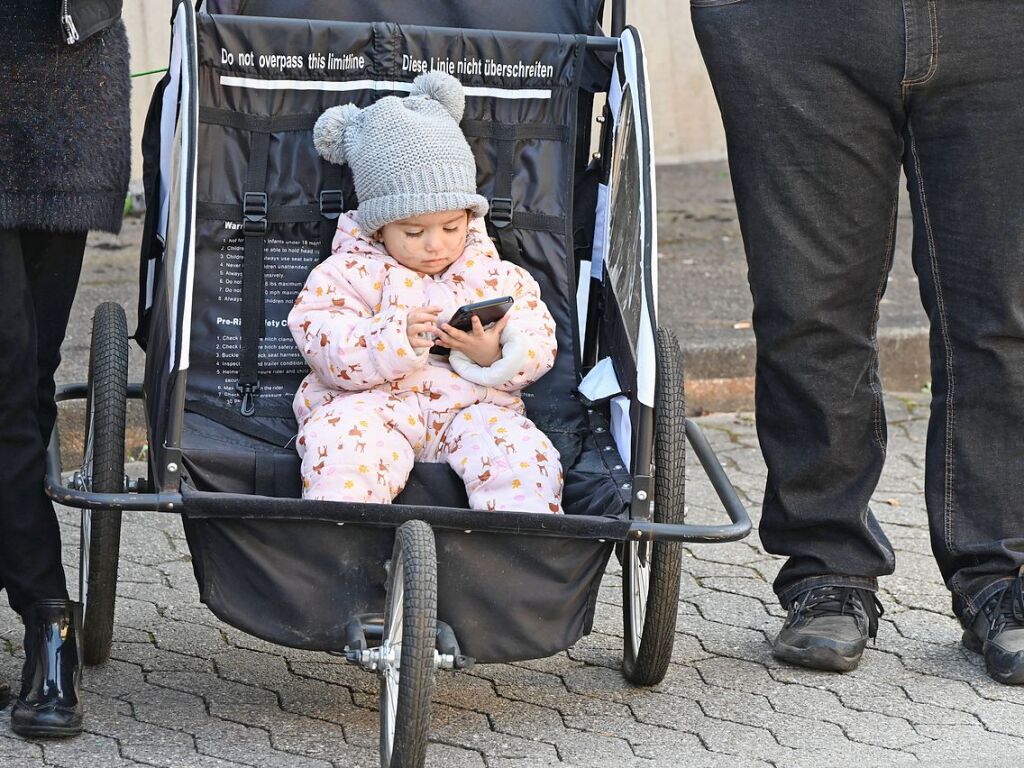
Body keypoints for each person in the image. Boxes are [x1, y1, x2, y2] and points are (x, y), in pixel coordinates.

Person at [692, 1, 1024, 681]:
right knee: (807, 307)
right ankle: (827, 566)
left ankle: (1001, 572)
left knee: (1003, 310)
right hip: (794, 23)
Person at [289, 71, 562, 514]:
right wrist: (388, 339)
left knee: (521, 456)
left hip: (471, 407)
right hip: (371, 405)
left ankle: (520, 553)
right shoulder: (347, 272)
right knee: (341, 447)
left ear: (468, 217)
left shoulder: (493, 273)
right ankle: (339, 542)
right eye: (413, 232)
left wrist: (495, 353)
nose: (435, 244)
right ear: (379, 227)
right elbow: (321, 339)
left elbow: (538, 334)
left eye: (451, 227)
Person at [0, 0, 129, 735]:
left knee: (29, 379)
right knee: (6, 380)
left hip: (68, 91)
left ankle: (35, 609)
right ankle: (48, 614)